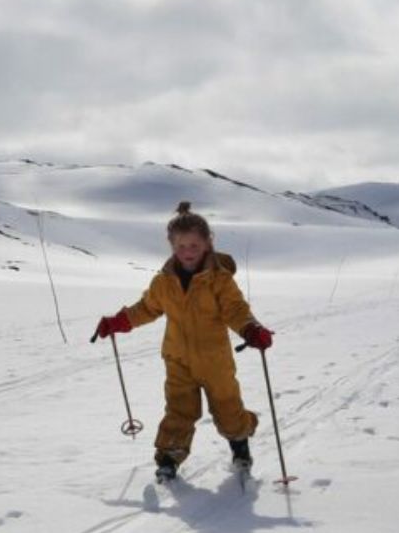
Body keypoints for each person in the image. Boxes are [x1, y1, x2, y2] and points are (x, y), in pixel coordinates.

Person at [93, 201, 273, 480]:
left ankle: (240, 444)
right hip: (177, 358)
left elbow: (235, 310)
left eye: (194, 246)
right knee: (179, 410)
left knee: (227, 409)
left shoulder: (219, 280)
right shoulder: (163, 282)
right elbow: (147, 308)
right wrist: (119, 321)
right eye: (181, 247)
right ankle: (169, 457)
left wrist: (251, 330)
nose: (187, 253)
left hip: (215, 360)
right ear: (172, 247)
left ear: (207, 244)